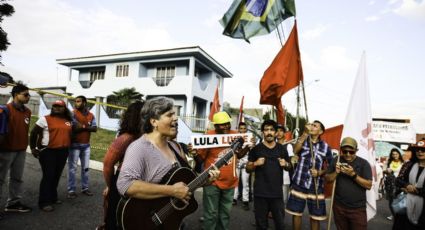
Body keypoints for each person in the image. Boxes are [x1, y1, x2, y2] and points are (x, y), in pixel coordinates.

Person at [116, 97, 220, 228]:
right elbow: (125, 185)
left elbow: (184, 184)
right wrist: (172, 191)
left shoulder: (174, 147)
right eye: (169, 115)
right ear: (154, 121)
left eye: (175, 114)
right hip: (149, 221)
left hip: (173, 220)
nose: (176, 118)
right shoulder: (139, 147)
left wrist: (205, 181)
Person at [193, 111, 252, 230]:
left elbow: (239, 155)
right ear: (215, 126)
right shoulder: (208, 136)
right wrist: (194, 153)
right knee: (210, 214)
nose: (226, 126)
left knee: (225, 215)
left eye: (227, 123)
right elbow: (200, 160)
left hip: (230, 182)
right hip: (212, 182)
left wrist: (247, 147)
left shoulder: (236, 135)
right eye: (222, 124)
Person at [99, 100, 144, 230]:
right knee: (116, 219)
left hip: (140, 183)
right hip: (122, 183)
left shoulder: (144, 136)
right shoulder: (126, 138)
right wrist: (111, 186)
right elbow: (108, 164)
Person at [285, 121, 333, 230]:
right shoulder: (304, 139)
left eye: (314, 126)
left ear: (320, 131)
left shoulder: (326, 147)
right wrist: (304, 134)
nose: (311, 126)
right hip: (299, 182)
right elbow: (295, 150)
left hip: (316, 186)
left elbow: (331, 166)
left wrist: (320, 172)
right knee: (296, 213)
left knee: (315, 217)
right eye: (311, 124)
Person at [246, 120, 291, 230]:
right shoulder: (256, 149)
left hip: (277, 194)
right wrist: (255, 163)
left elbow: (290, 167)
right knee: (261, 225)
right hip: (260, 193)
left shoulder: (282, 149)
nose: (269, 132)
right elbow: (248, 168)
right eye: (266, 130)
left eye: (272, 130)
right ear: (263, 132)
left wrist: (286, 164)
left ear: (276, 133)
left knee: (280, 225)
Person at [30, 100, 73, 212]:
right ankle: (44, 202)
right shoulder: (45, 119)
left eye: (60, 106)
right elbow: (34, 133)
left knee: (56, 175)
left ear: (64, 108)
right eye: (55, 106)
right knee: (48, 176)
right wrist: (33, 148)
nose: (57, 108)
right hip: (48, 151)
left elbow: (70, 134)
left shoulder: (68, 120)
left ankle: (53, 197)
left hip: (63, 152)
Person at [325, 137, 373, 230]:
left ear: (356, 150)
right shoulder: (336, 160)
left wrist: (353, 175)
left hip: (357, 209)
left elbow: (368, 185)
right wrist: (336, 172)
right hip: (339, 207)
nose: (347, 154)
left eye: (351, 152)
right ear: (341, 150)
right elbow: (328, 179)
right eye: (344, 151)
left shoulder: (364, 163)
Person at [0, 84, 32, 219]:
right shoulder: (5, 110)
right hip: (5, 150)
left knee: (17, 178)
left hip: (21, 150)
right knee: (0, 179)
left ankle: (13, 203)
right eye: (25, 94)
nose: (28, 97)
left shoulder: (28, 111)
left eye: (28, 94)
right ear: (15, 95)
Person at [67, 95, 97, 199]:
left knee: (86, 168)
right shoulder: (72, 113)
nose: (76, 103)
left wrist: (83, 126)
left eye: (78, 101)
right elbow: (74, 127)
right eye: (75, 101)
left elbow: (95, 128)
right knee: (72, 169)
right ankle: (71, 190)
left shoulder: (91, 115)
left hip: (86, 146)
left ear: (84, 103)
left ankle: (85, 188)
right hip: (74, 145)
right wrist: (87, 127)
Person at [392, 140, 425, 230]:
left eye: (423, 150)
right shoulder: (408, 164)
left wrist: (416, 190)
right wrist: (407, 185)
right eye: (417, 149)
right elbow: (398, 180)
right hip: (406, 206)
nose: (420, 152)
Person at [233, 122, 251, 210]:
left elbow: (252, 150)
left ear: (246, 129)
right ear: (238, 129)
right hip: (237, 163)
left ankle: (245, 201)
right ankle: (234, 198)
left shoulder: (250, 139)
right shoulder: (235, 138)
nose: (243, 130)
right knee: (235, 182)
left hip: (246, 164)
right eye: (241, 128)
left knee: (245, 183)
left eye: (244, 128)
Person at [384, 148, 404, 221]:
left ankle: (400, 215)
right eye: (393, 154)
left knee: (399, 200)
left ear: (399, 154)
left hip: (400, 184)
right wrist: (386, 171)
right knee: (391, 201)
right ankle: (393, 214)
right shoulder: (389, 162)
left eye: (396, 154)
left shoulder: (403, 163)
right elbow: (384, 171)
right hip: (390, 184)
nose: (395, 155)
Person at [276, 124, 294, 203]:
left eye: (281, 131)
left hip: (284, 176)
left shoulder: (288, 145)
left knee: (283, 200)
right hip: (273, 176)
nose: (278, 133)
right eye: (277, 131)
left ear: (284, 133)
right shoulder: (271, 144)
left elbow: (289, 163)